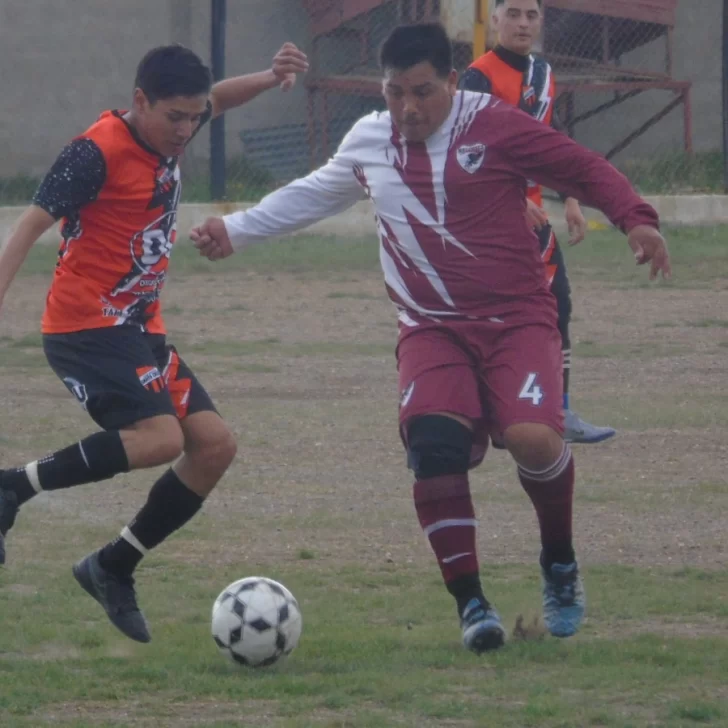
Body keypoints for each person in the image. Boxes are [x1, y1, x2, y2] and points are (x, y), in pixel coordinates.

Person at [190, 23, 670, 652]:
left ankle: (558, 560)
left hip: (516, 318)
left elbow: (580, 167)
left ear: (451, 81)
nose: (407, 108)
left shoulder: (493, 126)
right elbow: (316, 193)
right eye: (394, 94)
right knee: (433, 444)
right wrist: (239, 229)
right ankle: (472, 605)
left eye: (422, 92)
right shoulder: (370, 140)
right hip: (430, 326)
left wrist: (637, 219)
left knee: (532, 438)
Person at [0, 42, 309, 643]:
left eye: (194, 118)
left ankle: (112, 566)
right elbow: (28, 225)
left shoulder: (177, 120)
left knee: (214, 448)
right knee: (159, 439)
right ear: (140, 101)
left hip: (138, 329)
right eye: (176, 117)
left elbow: (218, 97)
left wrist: (271, 79)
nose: (187, 129)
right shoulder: (95, 152)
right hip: (85, 327)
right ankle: (10, 486)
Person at [460, 0, 616, 445]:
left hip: (533, 216)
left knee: (556, 305)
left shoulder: (543, 74)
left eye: (532, 15)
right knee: (492, 315)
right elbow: (470, 151)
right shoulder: (478, 76)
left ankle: (559, 411)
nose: (523, 23)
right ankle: (488, 416)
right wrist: (510, 199)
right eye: (513, 14)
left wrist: (570, 197)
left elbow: (551, 144)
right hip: (488, 218)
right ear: (494, 20)